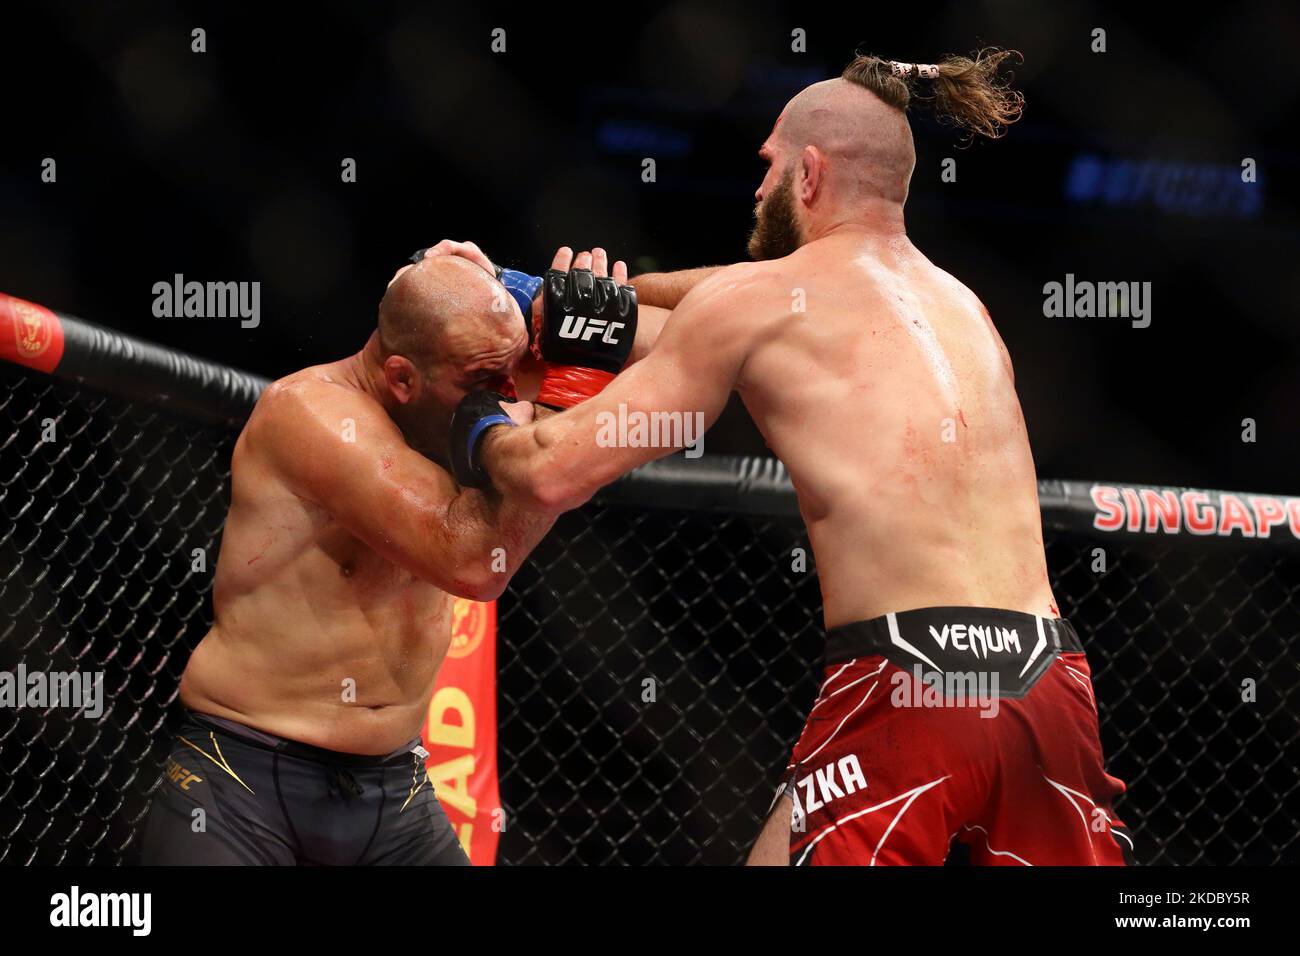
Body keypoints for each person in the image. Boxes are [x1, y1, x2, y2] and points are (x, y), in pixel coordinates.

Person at [454, 50, 1134, 865]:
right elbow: (736, 307)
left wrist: (476, 415)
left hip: (907, 677)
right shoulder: (966, 309)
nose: (758, 188)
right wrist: (569, 295)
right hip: (1049, 680)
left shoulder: (758, 304)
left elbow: (551, 472)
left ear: (809, 174)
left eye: (769, 165)